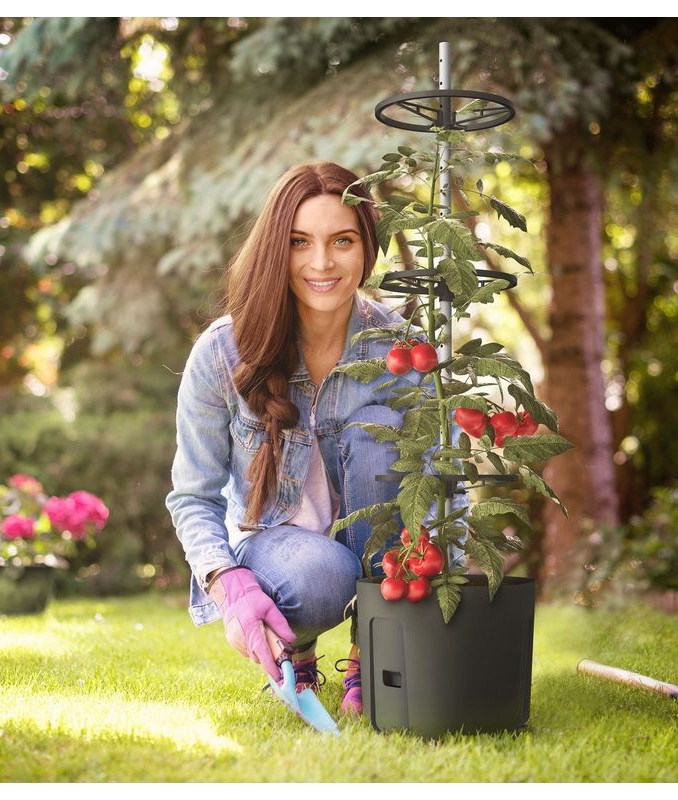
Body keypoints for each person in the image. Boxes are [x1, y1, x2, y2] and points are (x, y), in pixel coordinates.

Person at [165, 160, 466, 717]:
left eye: (342, 241)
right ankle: (296, 649)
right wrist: (229, 584)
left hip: (388, 557)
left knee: (377, 439)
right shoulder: (222, 353)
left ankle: (370, 651)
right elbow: (192, 495)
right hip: (283, 552)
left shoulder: (406, 352)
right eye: (299, 242)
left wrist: (446, 584)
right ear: (275, 249)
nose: (321, 262)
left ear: (367, 247)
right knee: (323, 573)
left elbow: (448, 486)